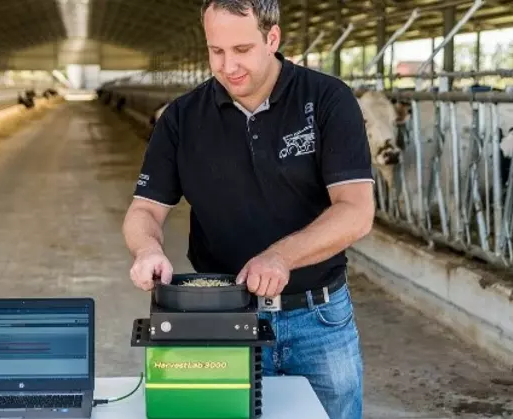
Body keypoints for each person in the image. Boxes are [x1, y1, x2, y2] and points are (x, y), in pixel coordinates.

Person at [121, 0, 375, 417]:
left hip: (318, 317)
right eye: (215, 51)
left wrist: (281, 257)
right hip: (222, 318)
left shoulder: (327, 99)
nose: (227, 66)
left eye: (241, 50)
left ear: (272, 38)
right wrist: (146, 249)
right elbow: (145, 209)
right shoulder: (182, 118)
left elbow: (356, 210)